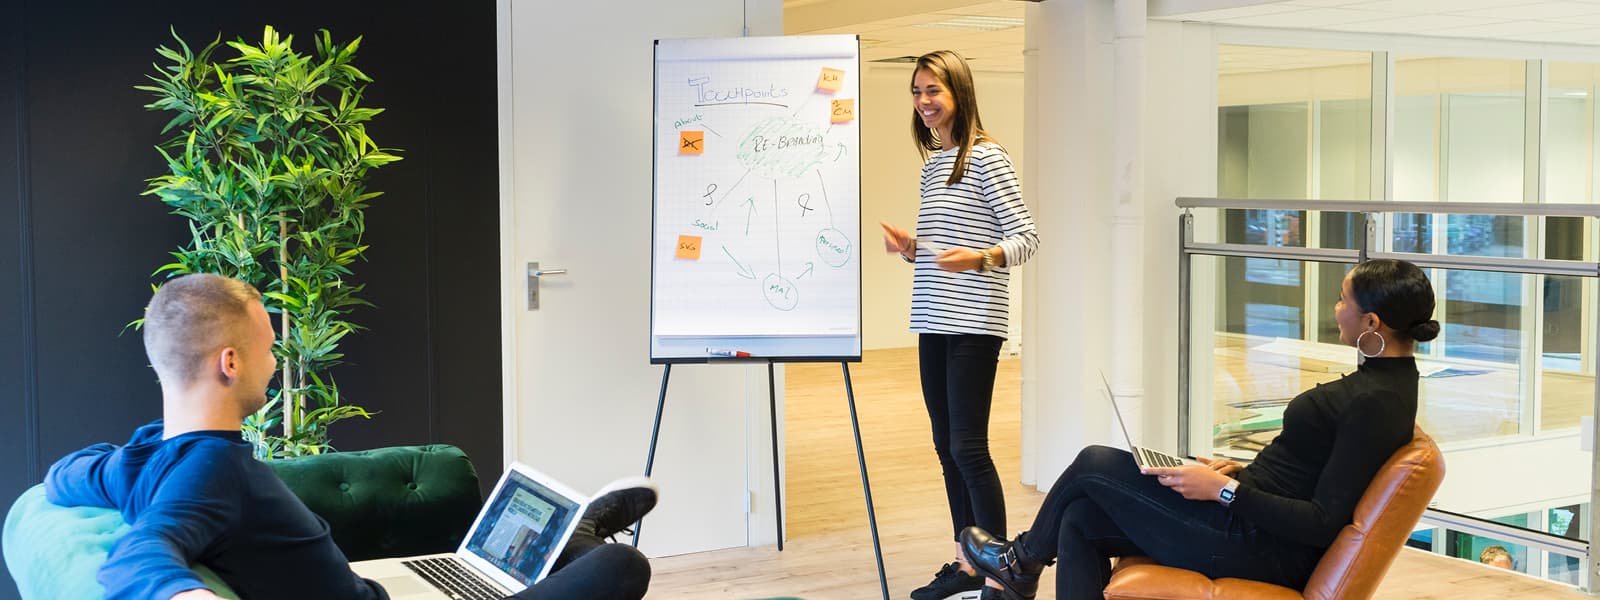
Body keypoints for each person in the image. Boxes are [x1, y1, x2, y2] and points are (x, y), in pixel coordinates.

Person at [44, 273, 656, 600]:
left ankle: (570, 533)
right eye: (267, 351)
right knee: (622, 568)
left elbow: (63, 474)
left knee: (506, 565)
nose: (276, 364)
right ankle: (578, 536)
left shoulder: (144, 455)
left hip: (376, 588)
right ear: (230, 363)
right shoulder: (211, 471)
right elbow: (140, 555)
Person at [958, 259, 1438, 600]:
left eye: (1342, 299)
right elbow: (1315, 468)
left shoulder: (1375, 402)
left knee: (1094, 463)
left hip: (1261, 545)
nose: (1336, 308)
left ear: (1371, 322)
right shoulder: (1386, 387)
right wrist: (1238, 472)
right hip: (1245, 518)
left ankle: (1019, 564)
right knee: (1079, 518)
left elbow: (1321, 522)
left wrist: (1224, 491)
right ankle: (1020, 565)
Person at [880, 49, 1039, 600]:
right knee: (945, 443)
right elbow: (942, 248)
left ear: (959, 94)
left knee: (969, 446)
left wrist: (979, 257)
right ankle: (966, 563)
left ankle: (1003, 571)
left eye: (933, 91)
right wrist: (912, 249)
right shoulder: (932, 165)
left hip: (975, 321)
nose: (924, 102)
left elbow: (1026, 239)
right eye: (917, 92)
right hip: (932, 316)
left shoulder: (989, 158)